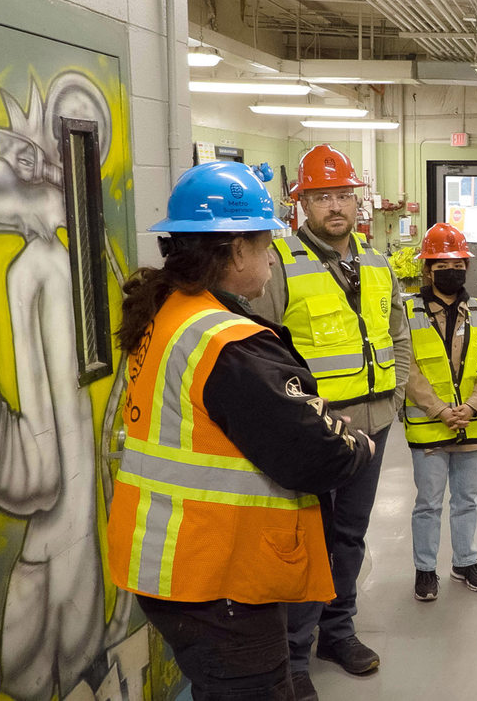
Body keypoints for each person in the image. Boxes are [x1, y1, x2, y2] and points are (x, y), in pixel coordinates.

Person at [106, 161, 375, 700]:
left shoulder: (169, 310)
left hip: (170, 559)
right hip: (215, 576)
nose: (272, 257)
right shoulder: (228, 343)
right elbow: (314, 455)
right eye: (264, 244)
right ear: (235, 252)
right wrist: (356, 443)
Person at [251, 144, 411, 687]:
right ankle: (295, 657)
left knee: (350, 534)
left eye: (343, 194)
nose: (335, 206)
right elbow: (257, 351)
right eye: (322, 197)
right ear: (303, 204)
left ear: (356, 200)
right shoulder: (280, 265)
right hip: (314, 432)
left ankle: (338, 632)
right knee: (306, 539)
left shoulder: (376, 261)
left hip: (374, 425)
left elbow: (399, 334)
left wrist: (395, 396)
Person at [402, 223, 477, 601]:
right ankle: (425, 569)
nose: (452, 270)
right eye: (442, 264)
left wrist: (472, 406)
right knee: (427, 502)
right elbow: (405, 366)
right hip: (430, 426)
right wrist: (440, 410)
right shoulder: (408, 311)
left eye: (458, 263)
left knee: (466, 499)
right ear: (428, 270)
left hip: (472, 424)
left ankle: (464, 561)